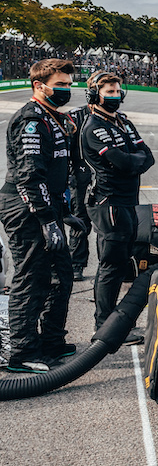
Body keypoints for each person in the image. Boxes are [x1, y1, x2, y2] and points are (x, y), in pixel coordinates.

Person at [0, 58, 77, 371]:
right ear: (38, 85)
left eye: (69, 85)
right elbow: (29, 176)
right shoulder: (31, 119)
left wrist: (65, 212)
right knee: (32, 276)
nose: (66, 90)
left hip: (48, 204)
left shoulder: (53, 118)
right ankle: (22, 350)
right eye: (60, 85)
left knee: (62, 274)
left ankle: (51, 340)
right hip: (24, 205)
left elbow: (60, 169)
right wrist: (47, 220)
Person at [81, 72, 155, 342]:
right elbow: (125, 163)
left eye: (117, 91)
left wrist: (132, 159)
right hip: (108, 202)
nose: (114, 96)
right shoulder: (94, 127)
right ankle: (104, 326)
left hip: (127, 201)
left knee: (123, 263)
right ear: (94, 95)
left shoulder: (123, 122)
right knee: (111, 265)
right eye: (109, 91)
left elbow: (146, 157)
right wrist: (132, 160)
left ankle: (112, 323)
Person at [64, 73, 100, 282]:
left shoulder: (120, 119)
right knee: (80, 222)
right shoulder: (74, 116)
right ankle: (76, 264)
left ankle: (113, 263)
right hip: (80, 178)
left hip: (107, 181)